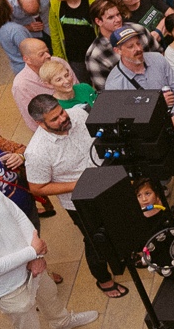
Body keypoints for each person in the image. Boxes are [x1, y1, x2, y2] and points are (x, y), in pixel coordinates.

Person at [0, 179, 96, 329]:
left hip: (31, 264)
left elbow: (18, 215)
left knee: (49, 293)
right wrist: (32, 252)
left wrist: (35, 253)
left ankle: (61, 321)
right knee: (28, 328)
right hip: (7, 287)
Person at [24, 96, 126, 298]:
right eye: (54, 119)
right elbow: (37, 187)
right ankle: (103, 279)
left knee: (120, 222)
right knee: (95, 239)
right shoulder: (37, 152)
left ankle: (126, 255)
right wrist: (79, 185)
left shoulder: (78, 114)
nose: (63, 118)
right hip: (80, 202)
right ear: (40, 124)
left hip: (107, 182)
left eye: (61, 112)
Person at [11, 37, 75, 130]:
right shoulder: (21, 85)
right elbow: (33, 121)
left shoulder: (58, 62)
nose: (48, 56)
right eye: (41, 54)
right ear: (27, 59)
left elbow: (76, 86)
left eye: (47, 51)